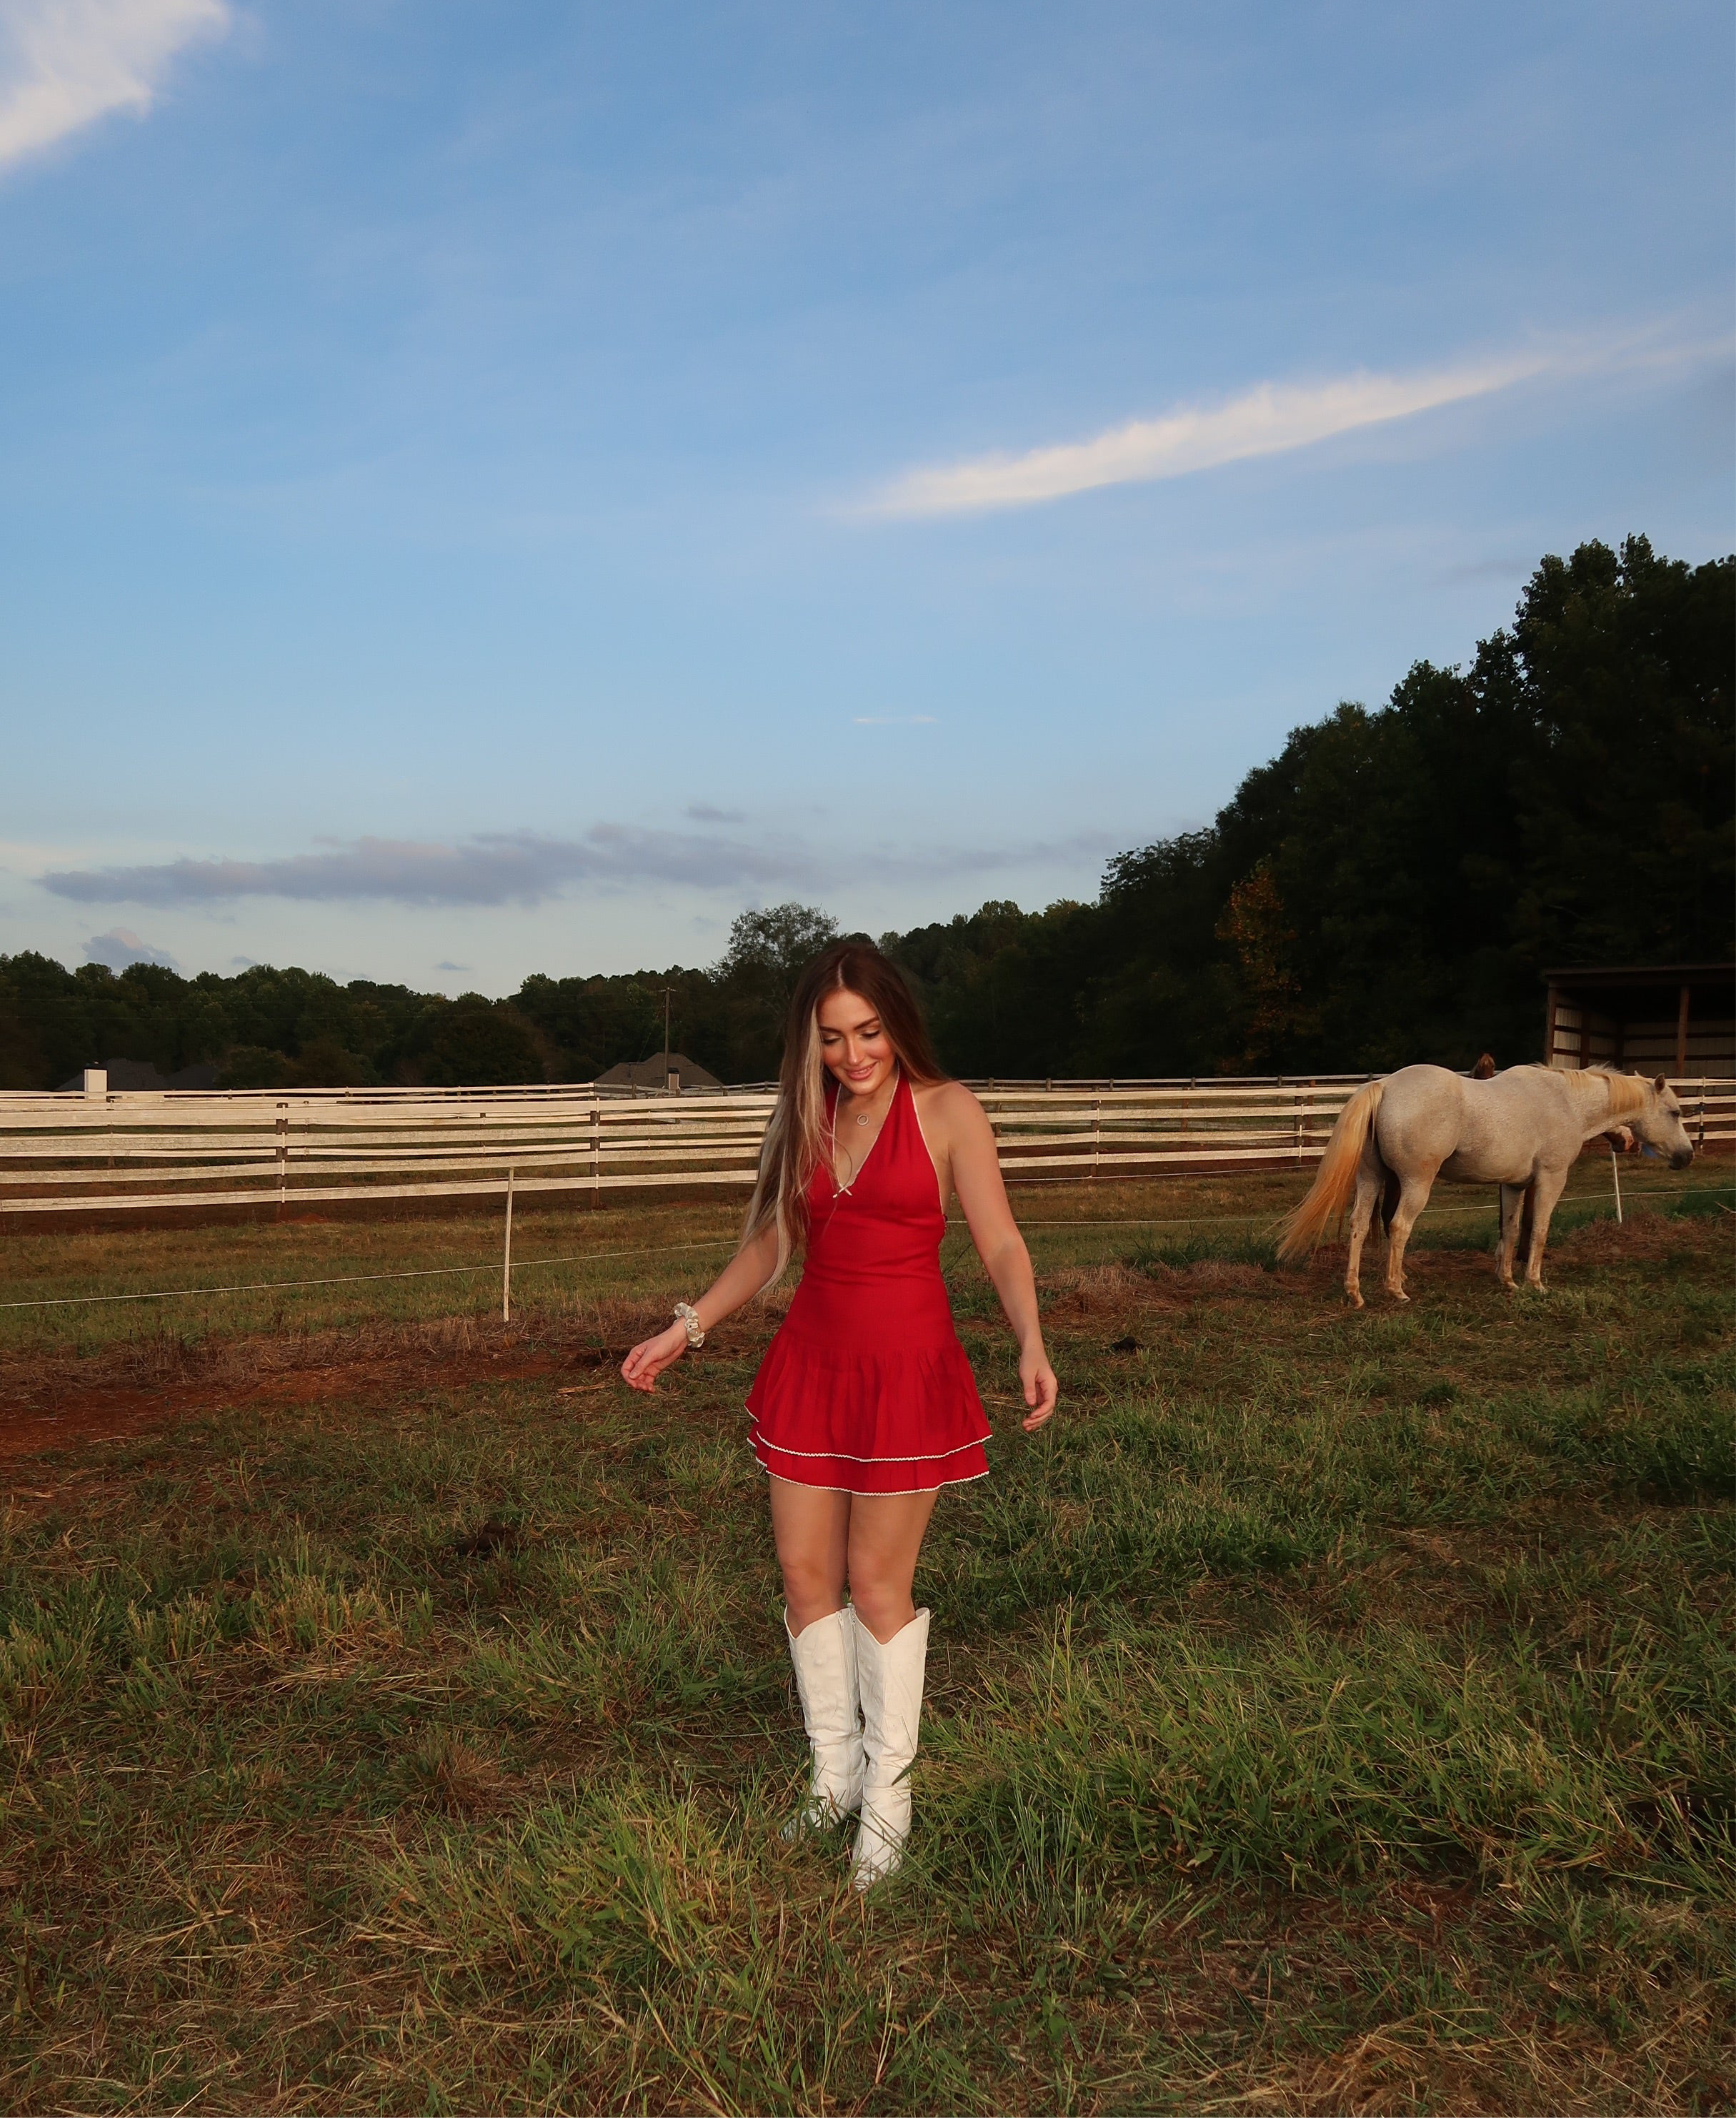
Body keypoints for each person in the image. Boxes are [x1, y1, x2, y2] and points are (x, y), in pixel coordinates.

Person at [621, 940, 1058, 1889]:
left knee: (875, 1583)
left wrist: (1028, 1338)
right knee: (803, 1572)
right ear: (808, 1043)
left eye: (867, 1032)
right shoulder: (806, 1117)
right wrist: (685, 1325)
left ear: (896, 1020)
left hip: (906, 1374)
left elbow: (1002, 1239)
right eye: (832, 1039)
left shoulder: (948, 1112)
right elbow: (772, 1242)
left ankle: (888, 1812)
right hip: (812, 1366)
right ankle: (834, 1782)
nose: (854, 1056)